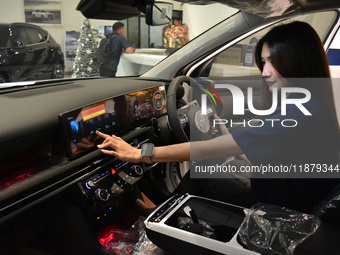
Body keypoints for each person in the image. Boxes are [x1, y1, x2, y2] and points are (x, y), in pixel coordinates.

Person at [96, 21, 340, 213]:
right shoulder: (310, 106)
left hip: (280, 216)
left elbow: (207, 150)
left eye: (274, 62)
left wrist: (141, 154)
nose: (265, 72)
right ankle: (161, 210)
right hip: (284, 201)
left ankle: (159, 215)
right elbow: (266, 155)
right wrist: (227, 135)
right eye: (263, 62)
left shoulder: (301, 114)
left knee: (200, 174)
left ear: (297, 62)